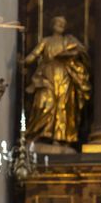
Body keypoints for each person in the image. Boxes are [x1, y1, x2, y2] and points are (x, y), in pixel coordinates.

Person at [24, 16, 91, 144]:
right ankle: (40, 132)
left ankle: (60, 137)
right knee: (44, 103)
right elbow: (34, 54)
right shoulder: (46, 41)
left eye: (63, 23)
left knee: (64, 104)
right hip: (47, 74)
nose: (60, 24)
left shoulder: (69, 40)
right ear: (52, 24)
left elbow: (82, 51)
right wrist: (24, 61)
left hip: (65, 74)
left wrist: (72, 53)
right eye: (58, 22)